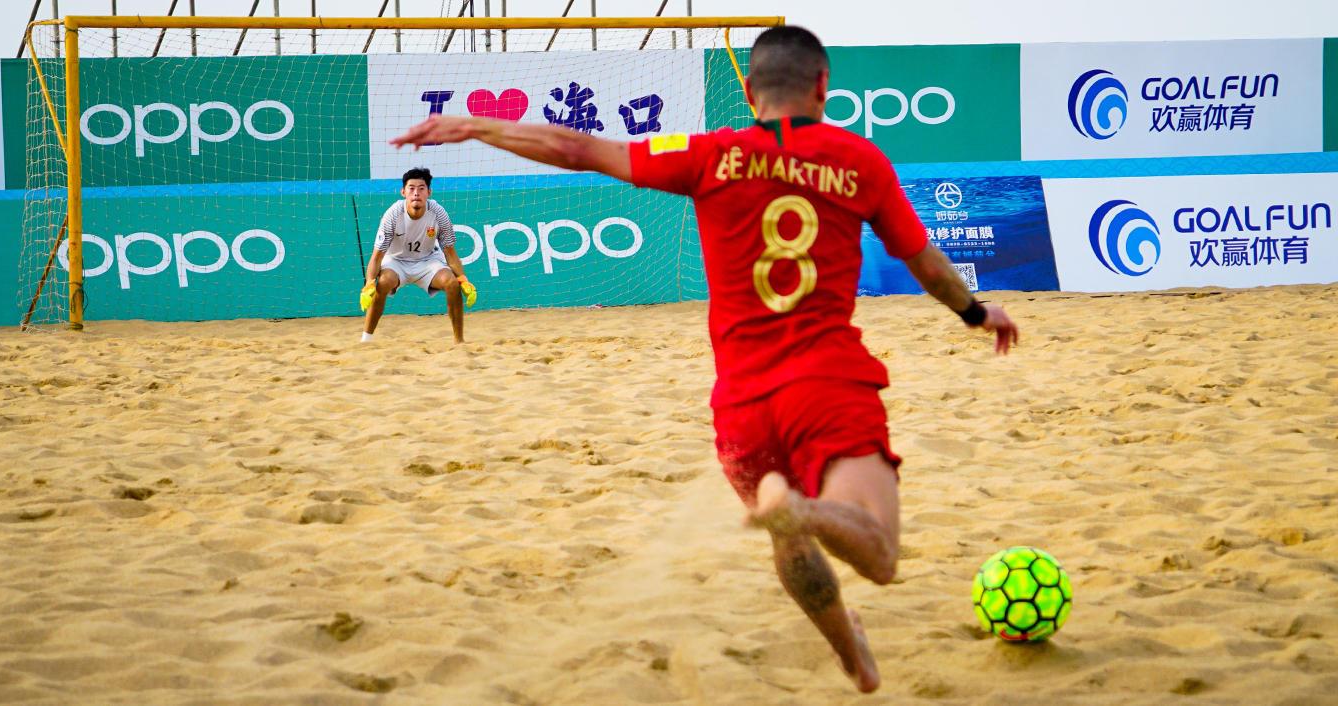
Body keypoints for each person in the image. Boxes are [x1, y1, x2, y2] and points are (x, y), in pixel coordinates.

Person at [389, 26, 1018, 693]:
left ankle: (852, 656)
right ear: (823, 87)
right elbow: (922, 261)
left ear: (748, 92)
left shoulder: (709, 154)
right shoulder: (860, 159)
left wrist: (472, 125)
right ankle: (803, 511)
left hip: (741, 408)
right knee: (878, 554)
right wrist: (979, 314)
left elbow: (576, 149)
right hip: (826, 384)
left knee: (789, 540)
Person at [360, 167, 476, 344]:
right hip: (396, 261)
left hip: (428, 261)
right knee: (381, 284)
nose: (416, 193)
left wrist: (463, 279)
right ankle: (365, 340)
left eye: (421, 188)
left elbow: (450, 253)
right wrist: (369, 283)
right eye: (411, 188)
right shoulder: (393, 214)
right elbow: (377, 256)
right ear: (403, 192)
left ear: (429, 192)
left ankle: (459, 342)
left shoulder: (438, 213)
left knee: (452, 284)